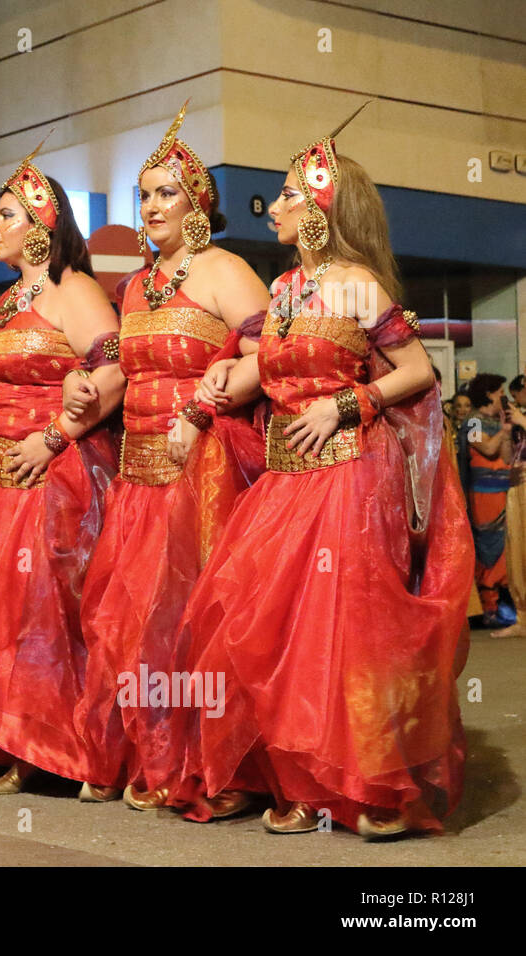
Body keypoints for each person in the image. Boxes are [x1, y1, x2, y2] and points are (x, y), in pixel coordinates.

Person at [167, 105, 473, 838]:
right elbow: (265, 372)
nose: (273, 207)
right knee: (257, 622)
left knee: (343, 631)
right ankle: (298, 778)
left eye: (288, 196)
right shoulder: (280, 293)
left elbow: (417, 371)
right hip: (283, 479)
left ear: (320, 210)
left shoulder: (358, 284)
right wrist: (218, 381)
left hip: (350, 477)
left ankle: (365, 787)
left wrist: (348, 403)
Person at [71, 101, 270, 812]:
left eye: (166, 193)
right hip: (140, 473)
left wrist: (200, 410)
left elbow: (265, 359)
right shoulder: (133, 289)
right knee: (135, 620)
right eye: (145, 194)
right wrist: (76, 399)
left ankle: (224, 770)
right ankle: (160, 759)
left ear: (198, 206)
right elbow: (121, 372)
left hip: (208, 465)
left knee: (201, 621)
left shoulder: (224, 270)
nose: (150, 205)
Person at [0, 137, 124, 793]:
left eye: (6, 214)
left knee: (43, 612)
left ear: (41, 226)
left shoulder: (75, 290)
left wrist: (57, 435)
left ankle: (51, 746)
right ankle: (5, 738)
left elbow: (114, 370)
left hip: (50, 472)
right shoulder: (5, 302)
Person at [462, 373, 526, 631]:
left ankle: (505, 605)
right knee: (489, 550)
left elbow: (504, 454)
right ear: (489, 393)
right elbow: (487, 449)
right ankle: (490, 608)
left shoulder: (496, 420)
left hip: (506, 490)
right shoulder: (474, 420)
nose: (504, 397)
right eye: (500, 392)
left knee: (507, 548)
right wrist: (504, 430)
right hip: (484, 493)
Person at [500, 373, 526, 638]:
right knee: (516, 549)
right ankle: (522, 618)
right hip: (516, 482)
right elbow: (507, 457)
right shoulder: (519, 418)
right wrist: (508, 433)